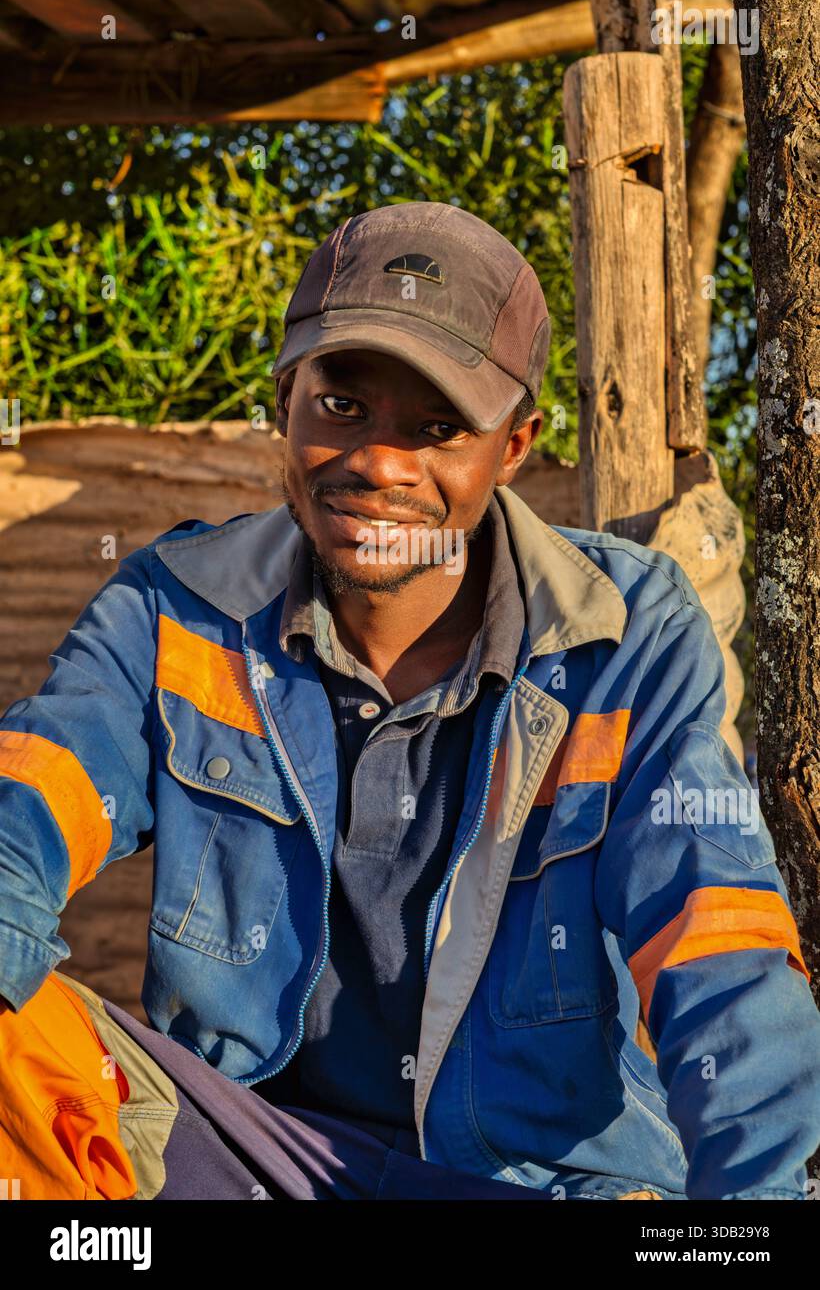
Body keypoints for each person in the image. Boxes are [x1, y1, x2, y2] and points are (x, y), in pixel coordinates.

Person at [0, 201, 818, 1202]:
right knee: (25, 1054)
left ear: (512, 446)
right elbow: (26, 813)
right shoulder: (177, 608)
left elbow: (716, 936)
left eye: (437, 428)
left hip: (536, 1185)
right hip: (256, 1160)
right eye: (342, 406)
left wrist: (756, 1214)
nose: (380, 464)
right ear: (283, 401)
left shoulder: (623, 634)